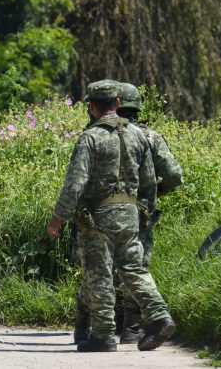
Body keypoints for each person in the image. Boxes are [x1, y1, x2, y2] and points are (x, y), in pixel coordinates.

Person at [47, 80, 176, 352]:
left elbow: (75, 183)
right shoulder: (139, 135)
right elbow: (150, 181)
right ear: (117, 103)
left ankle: (103, 335)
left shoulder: (90, 137)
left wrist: (59, 217)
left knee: (100, 273)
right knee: (134, 269)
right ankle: (160, 317)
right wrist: (143, 211)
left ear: (92, 107)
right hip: (131, 214)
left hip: (97, 216)